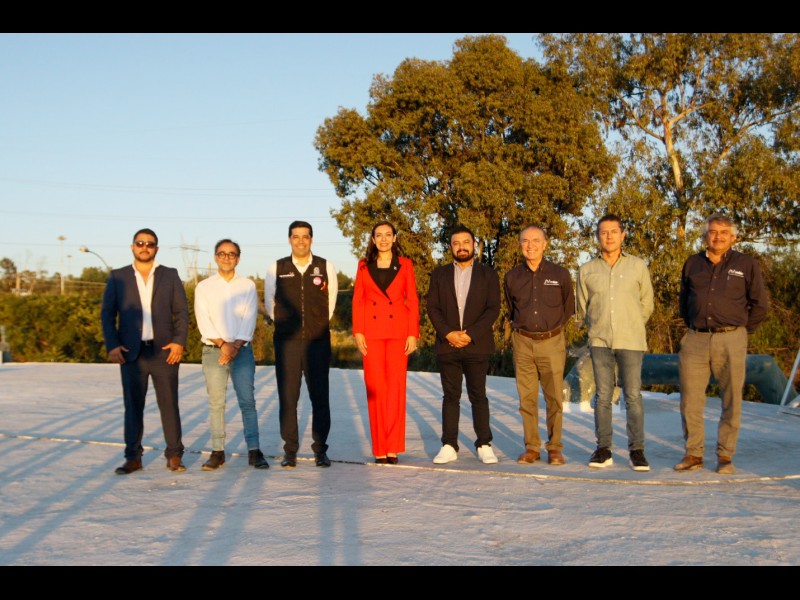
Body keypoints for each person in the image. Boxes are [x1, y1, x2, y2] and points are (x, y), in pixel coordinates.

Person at [674, 214, 769, 475]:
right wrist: (693, 327)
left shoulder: (746, 264)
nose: (718, 237)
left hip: (731, 338)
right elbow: (684, 302)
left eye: (724, 232)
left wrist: (741, 331)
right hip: (695, 338)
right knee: (690, 400)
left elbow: (760, 305)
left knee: (731, 399)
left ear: (733, 237)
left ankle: (725, 455)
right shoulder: (692, 263)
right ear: (705, 236)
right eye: (713, 232)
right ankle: (693, 453)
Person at [101, 228, 189, 474]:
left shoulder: (169, 275)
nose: (144, 247)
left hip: (164, 352)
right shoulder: (118, 276)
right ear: (132, 247)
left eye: (150, 244)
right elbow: (107, 314)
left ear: (156, 249)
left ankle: (174, 455)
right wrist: (112, 344)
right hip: (131, 353)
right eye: (140, 243)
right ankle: (133, 457)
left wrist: (179, 341)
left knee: (169, 405)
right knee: (133, 407)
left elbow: (181, 312)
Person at [577, 214, 654, 472]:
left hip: (631, 340)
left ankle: (637, 450)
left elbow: (647, 303)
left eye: (613, 231)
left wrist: (632, 324)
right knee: (603, 396)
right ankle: (603, 449)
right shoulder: (587, 270)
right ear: (597, 236)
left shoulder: (638, 266)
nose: (608, 236)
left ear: (623, 235)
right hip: (600, 341)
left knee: (632, 395)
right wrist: (597, 328)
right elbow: (583, 308)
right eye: (603, 232)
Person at [265, 221, 338, 468]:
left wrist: (316, 325)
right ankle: (290, 450)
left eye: (305, 236)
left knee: (320, 398)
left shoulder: (325, 266)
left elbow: (330, 303)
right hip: (287, 343)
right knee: (288, 399)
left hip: (318, 342)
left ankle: (320, 450)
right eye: (295, 237)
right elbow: (270, 302)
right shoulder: (276, 267)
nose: (300, 241)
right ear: (289, 239)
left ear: (311, 239)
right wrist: (286, 326)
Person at [427, 224, 501, 464]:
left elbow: (493, 309)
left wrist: (471, 334)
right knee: (451, 396)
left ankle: (484, 444)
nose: (461, 247)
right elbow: (432, 308)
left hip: (476, 345)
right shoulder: (439, 275)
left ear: (474, 245)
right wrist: (448, 333)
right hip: (447, 345)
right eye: (456, 243)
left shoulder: (488, 274)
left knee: (478, 396)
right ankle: (449, 445)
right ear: (450, 247)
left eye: (466, 242)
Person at [194, 239, 269, 471]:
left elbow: (249, 318)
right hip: (213, 352)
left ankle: (254, 450)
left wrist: (233, 346)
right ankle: (218, 452)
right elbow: (203, 319)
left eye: (231, 254)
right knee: (217, 403)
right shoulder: (204, 287)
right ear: (215, 257)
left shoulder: (247, 286)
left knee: (247, 402)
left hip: (241, 351)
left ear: (238, 258)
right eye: (222, 253)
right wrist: (223, 345)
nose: (227, 257)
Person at [504, 225, 575, 466]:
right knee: (527, 399)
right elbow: (511, 309)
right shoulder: (512, 277)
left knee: (554, 398)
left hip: (552, 342)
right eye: (525, 240)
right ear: (520, 244)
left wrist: (551, 330)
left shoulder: (560, 274)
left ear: (545, 244)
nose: (530, 245)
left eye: (535, 240)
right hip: (522, 342)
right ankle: (532, 447)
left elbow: (568, 308)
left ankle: (554, 448)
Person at [352, 222, 420, 464]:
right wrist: (358, 331)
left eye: (387, 235)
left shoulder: (405, 264)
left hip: (398, 333)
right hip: (371, 333)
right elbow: (358, 299)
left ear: (394, 238)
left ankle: (393, 448)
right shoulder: (363, 265)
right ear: (372, 239)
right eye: (378, 235)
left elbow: (412, 299)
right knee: (376, 390)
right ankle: (380, 447)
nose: (383, 239)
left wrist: (413, 333)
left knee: (395, 390)